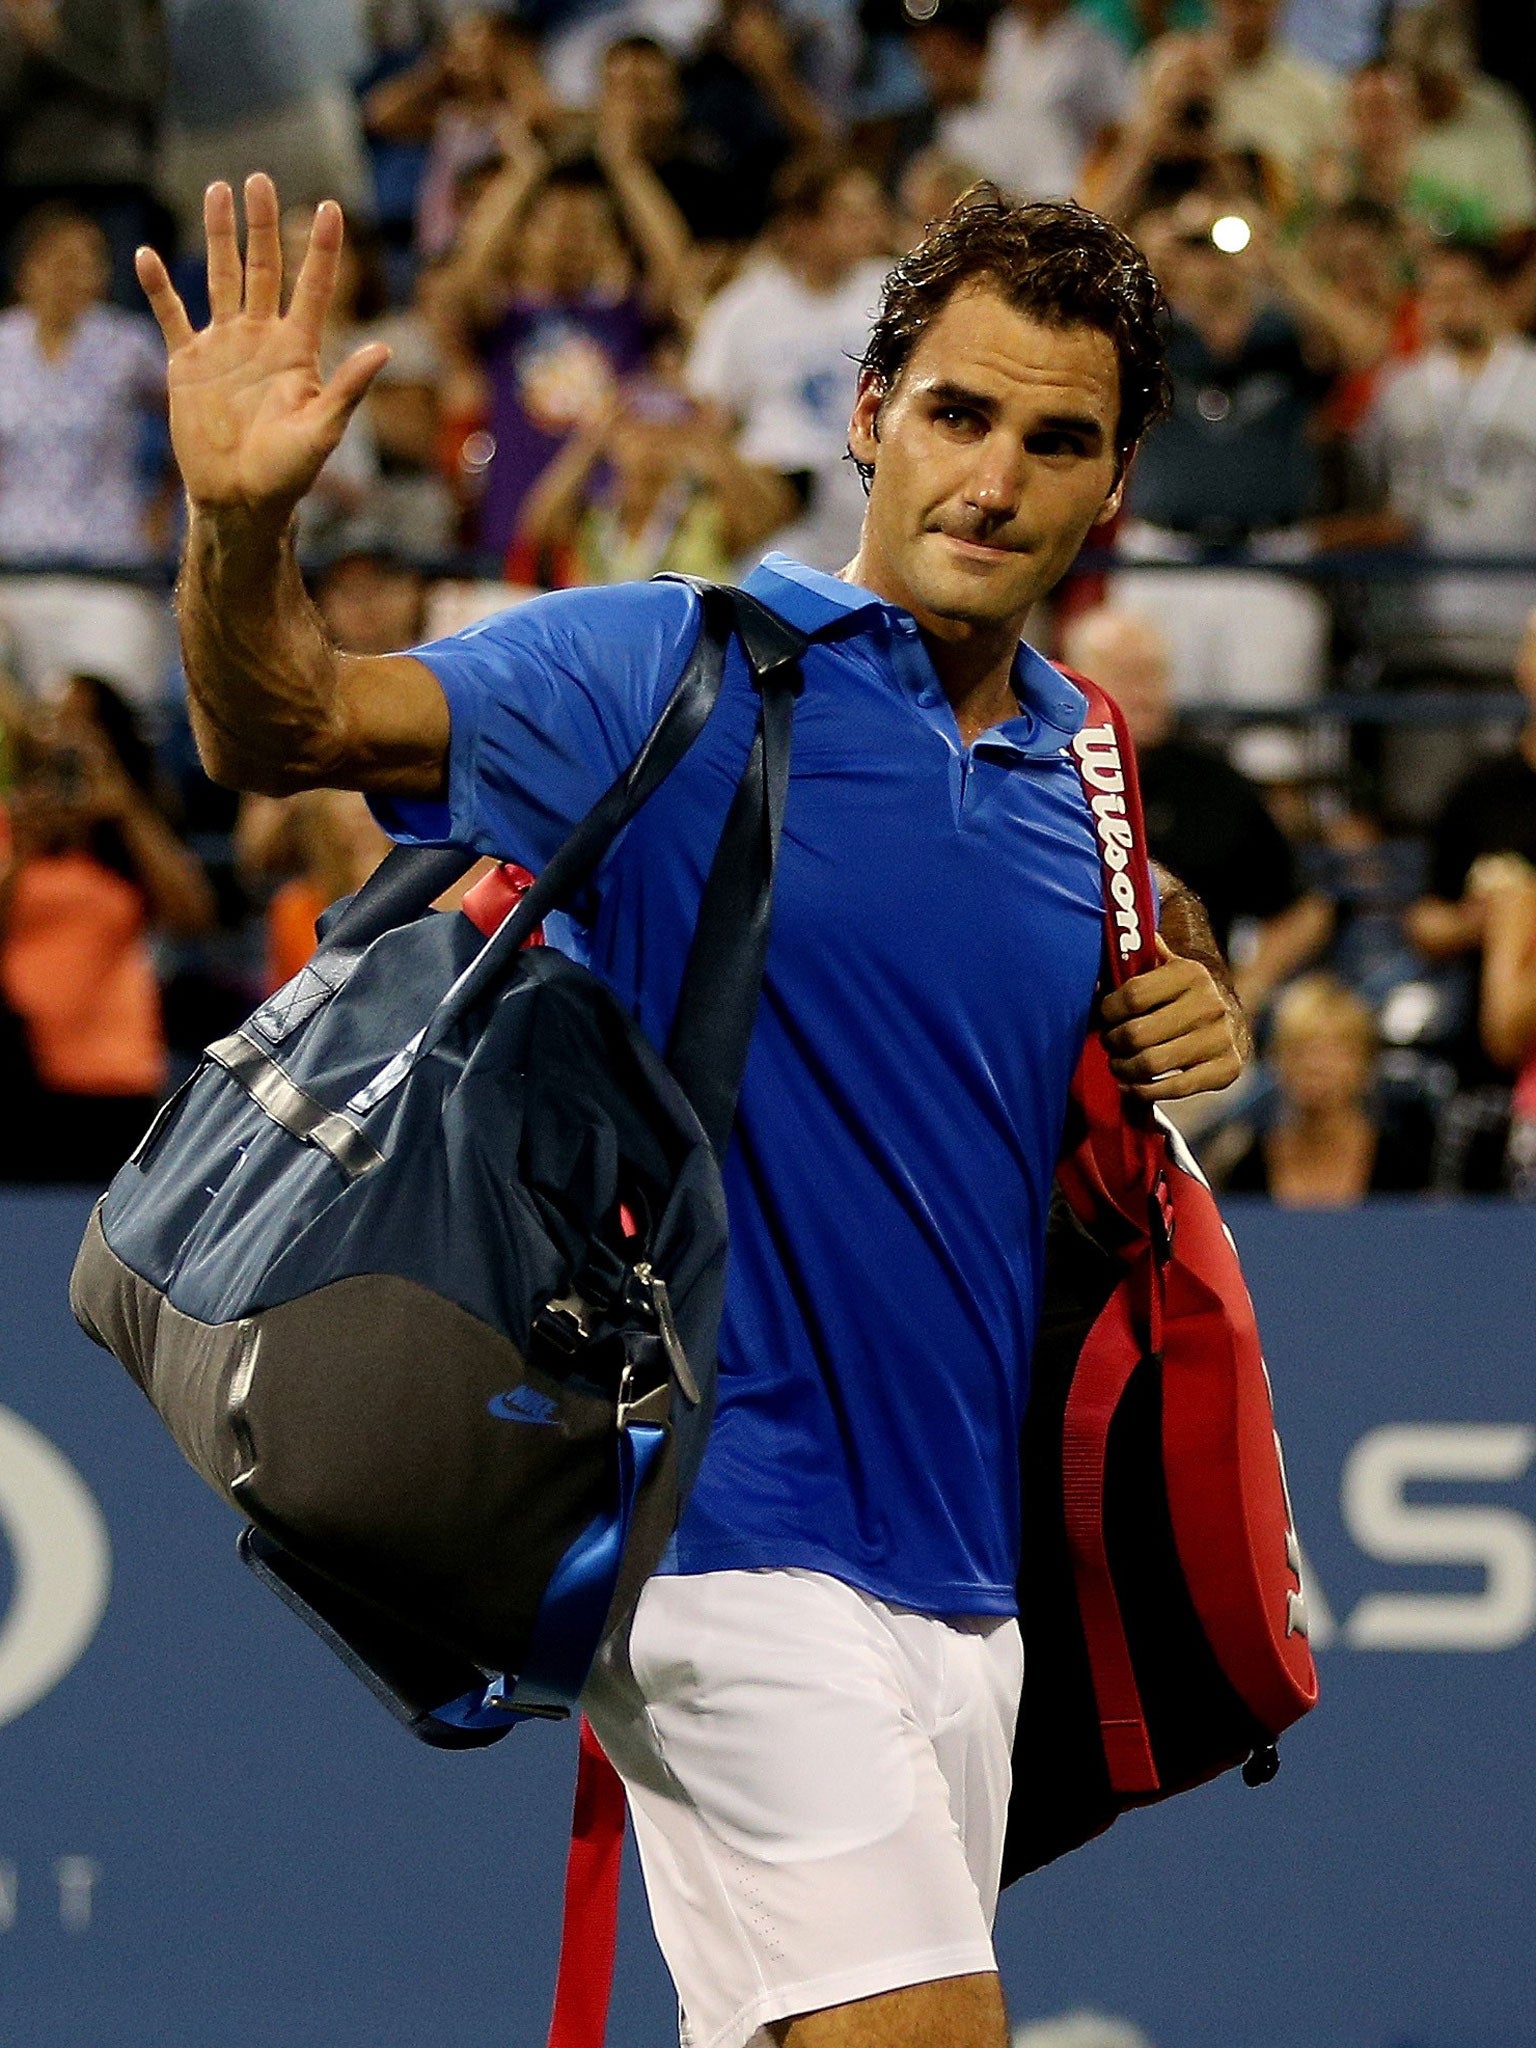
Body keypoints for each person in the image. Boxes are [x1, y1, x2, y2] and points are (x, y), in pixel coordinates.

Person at [137, 170, 1246, 2048]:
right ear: (868, 411)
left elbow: (1092, 947)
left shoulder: (1090, 763)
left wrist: (1189, 987)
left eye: (1056, 441)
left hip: (968, 1586)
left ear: (1112, 483)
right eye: (959, 414)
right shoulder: (660, 666)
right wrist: (241, 526)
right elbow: (288, 721)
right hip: (726, 1531)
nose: (993, 478)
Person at [1060, 607, 1327, 1014]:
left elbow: (1303, 911)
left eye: (1155, 674)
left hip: (1191, 1028)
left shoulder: (1217, 787)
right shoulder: (1039, 780)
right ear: (1074, 684)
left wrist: (1242, 992)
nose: (1145, 690)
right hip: (1065, 1018)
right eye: (1128, 674)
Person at [0, 672, 213, 1182]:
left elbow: (193, 917)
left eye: (83, 726)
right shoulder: (16, 823)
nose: (67, 740)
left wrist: (126, 812)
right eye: (55, 722)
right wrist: (27, 845)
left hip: (116, 1069)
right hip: (19, 1068)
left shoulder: (131, 831)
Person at [0, 202, 173, 708]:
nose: (72, 274)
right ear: (26, 269)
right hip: (12, 569)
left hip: (109, 569)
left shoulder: (127, 344)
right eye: (58, 260)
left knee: (109, 714)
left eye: (87, 261)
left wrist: (163, 503)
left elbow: (190, 417)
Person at [685, 156, 893, 573]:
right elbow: (708, 422)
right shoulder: (745, 307)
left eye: (870, 210)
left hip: (871, 498)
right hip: (782, 512)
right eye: (849, 214)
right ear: (804, 226)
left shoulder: (893, 291)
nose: (869, 225)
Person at [1218, 973, 1434, 1203]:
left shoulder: (1402, 1167)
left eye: (1334, 1052)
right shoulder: (1246, 1168)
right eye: (1300, 1050)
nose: (1315, 1065)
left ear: (1365, 1063)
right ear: (1278, 1062)